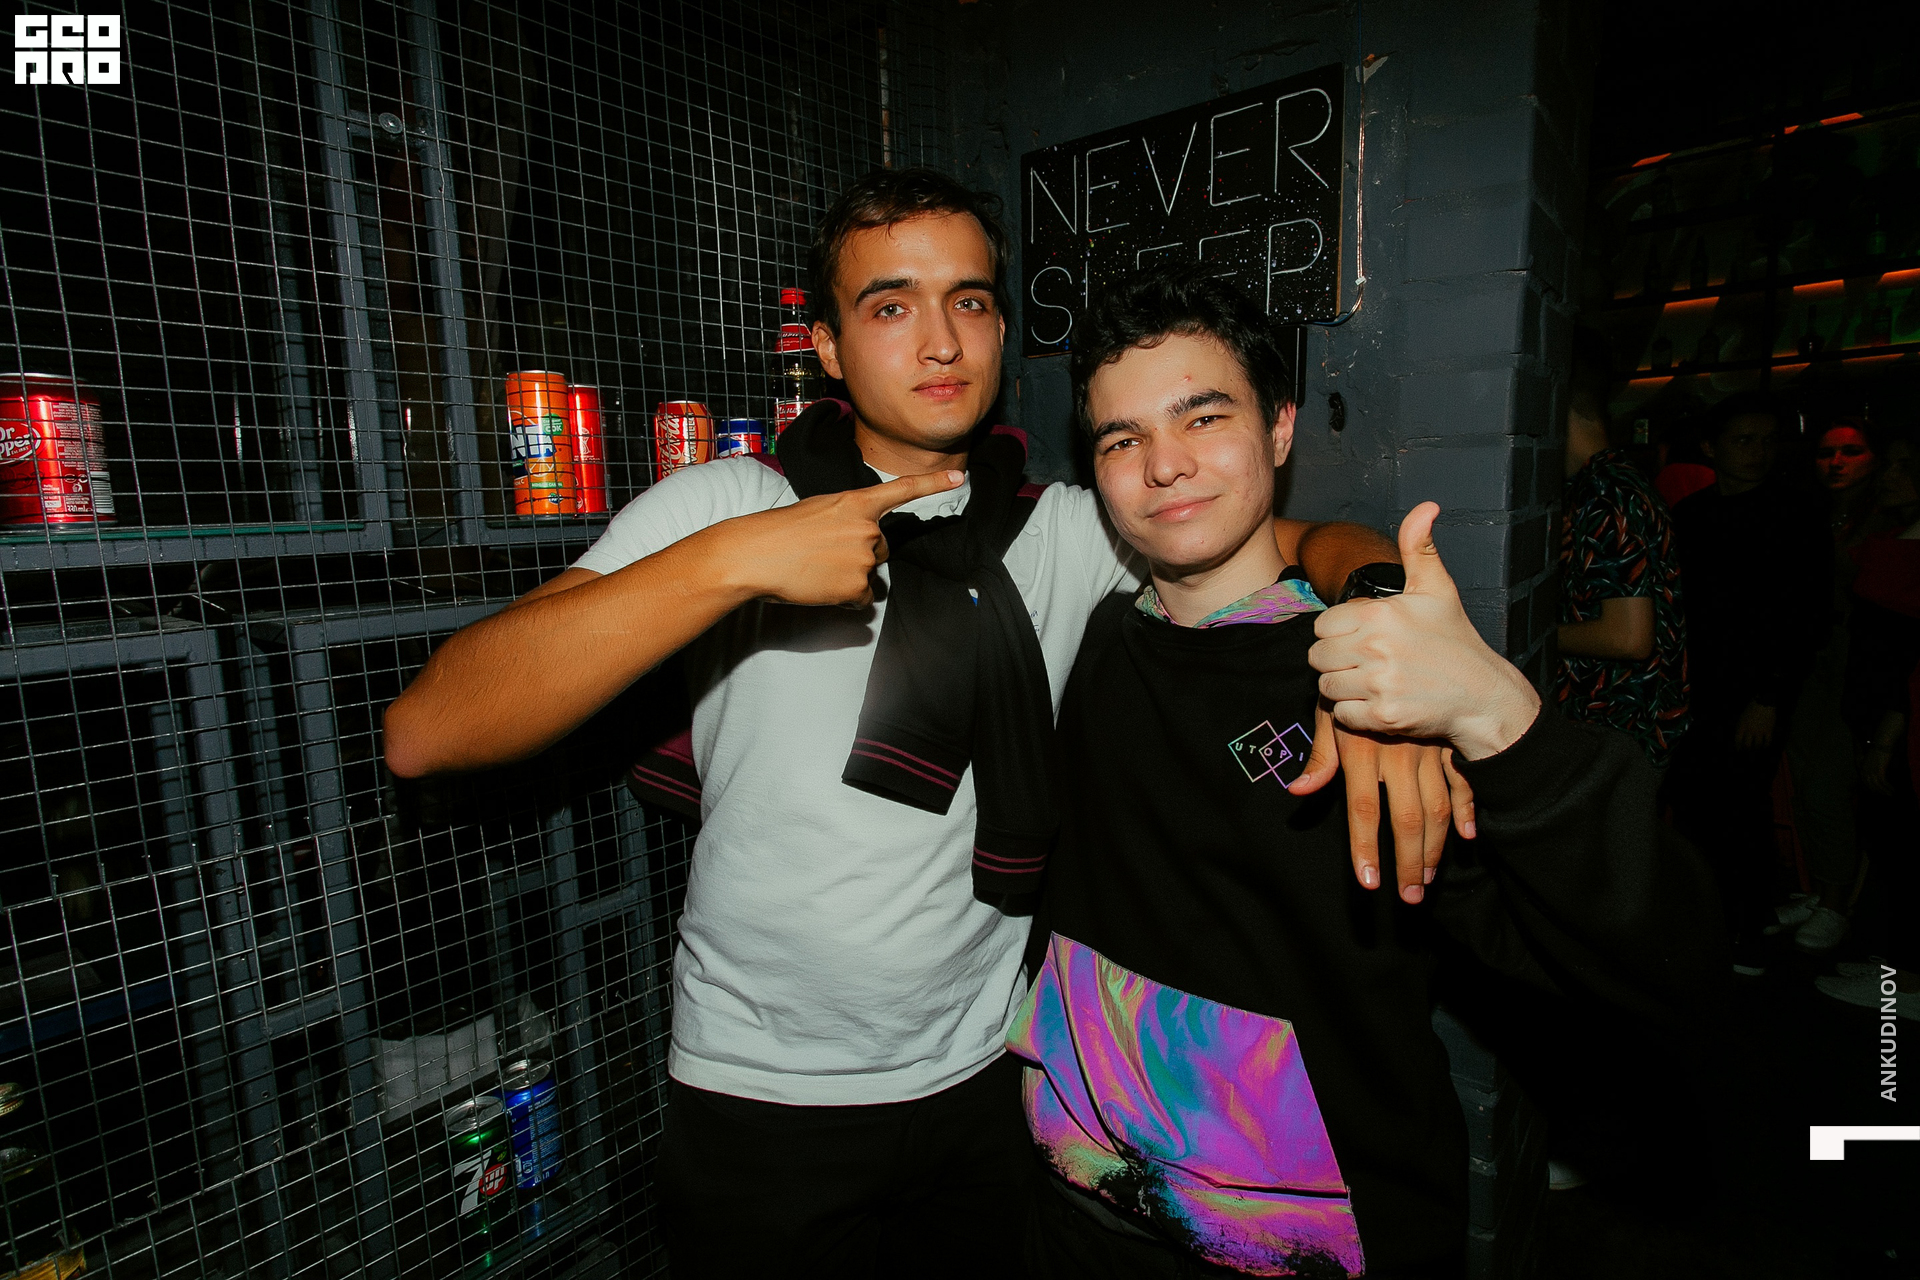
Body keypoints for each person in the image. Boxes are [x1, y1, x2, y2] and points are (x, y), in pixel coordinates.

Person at [381, 169, 1448, 1275]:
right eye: (891, 305)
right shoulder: (726, 506)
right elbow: (428, 729)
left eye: (969, 301)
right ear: (829, 348)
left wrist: (1381, 628)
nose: (941, 342)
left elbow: (1291, 536)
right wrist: (733, 563)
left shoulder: (1064, 530)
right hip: (762, 1096)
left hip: (983, 1087)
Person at [1011, 269, 1721, 1279]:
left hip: (1299, 1250)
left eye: (1204, 416)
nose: (1165, 463)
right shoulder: (1092, 638)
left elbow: (1673, 964)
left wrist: (1495, 715)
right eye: (1123, 438)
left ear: (1281, 427)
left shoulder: (1369, 687)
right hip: (1077, 1215)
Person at [1669, 392, 1833, 976]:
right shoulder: (1692, 514)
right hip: (1700, 685)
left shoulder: (1794, 512)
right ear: (1711, 448)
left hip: (1757, 688)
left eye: (1767, 441)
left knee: (1738, 806)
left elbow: (1803, 616)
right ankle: (1732, 919)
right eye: (1744, 440)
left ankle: (1743, 934)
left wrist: (1767, 698)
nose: (1758, 452)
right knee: (1705, 804)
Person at [1779, 418, 1894, 951]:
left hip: (1860, 662)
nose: (1837, 462)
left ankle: (1836, 904)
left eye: (1851, 451)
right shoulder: (1816, 511)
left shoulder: (1888, 516)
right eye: (1827, 453)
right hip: (1814, 656)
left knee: (1829, 784)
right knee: (1807, 779)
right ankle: (1822, 892)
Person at [1552, 330, 1688, 770]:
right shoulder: (1613, 483)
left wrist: (1531, 633)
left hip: (1617, 732)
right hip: (1622, 731)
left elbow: (1627, 637)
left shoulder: (1606, 494)